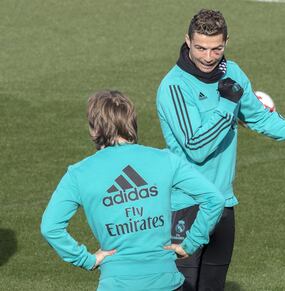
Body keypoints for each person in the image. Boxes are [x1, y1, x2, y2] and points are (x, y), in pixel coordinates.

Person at [156, 9, 285, 291]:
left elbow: (259, 117)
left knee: (213, 287)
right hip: (186, 205)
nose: (208, 57)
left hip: (222, 203)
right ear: (187, 41)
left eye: (216, 49)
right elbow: (196, 146)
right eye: (200, 48)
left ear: (226, 43)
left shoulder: (232, 73)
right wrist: (226, 105)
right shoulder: (173, 87)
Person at [40, 90, 225, 291]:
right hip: (166, 281)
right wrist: (190, 243)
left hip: (116, 283)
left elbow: (50, 227)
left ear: (95, 129)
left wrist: (86, 259)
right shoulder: (165, 160)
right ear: (131, 122)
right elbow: (214, 198)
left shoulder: (78, 173)